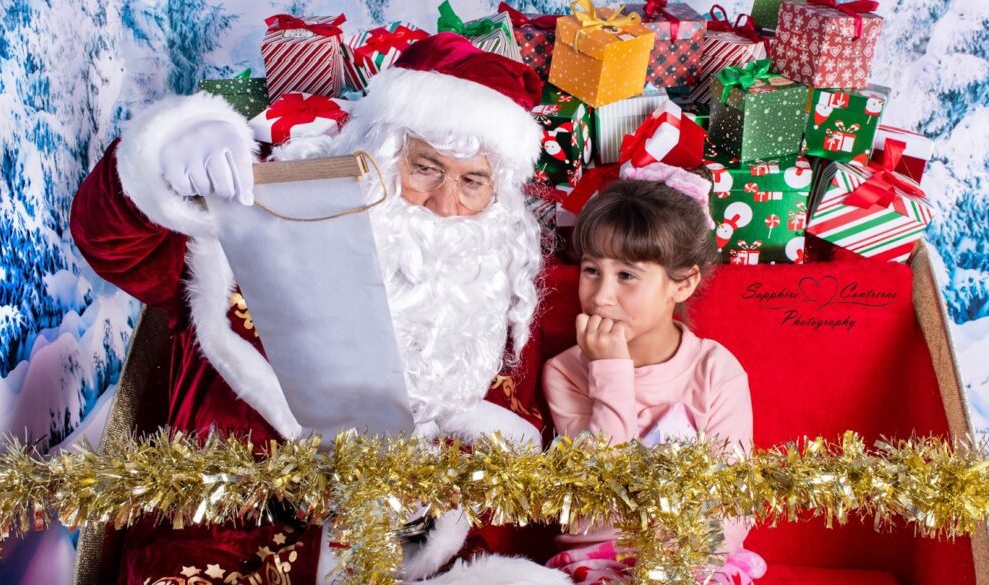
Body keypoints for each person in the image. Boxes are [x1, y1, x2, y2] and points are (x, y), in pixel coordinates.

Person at [71, 33, 569, 585]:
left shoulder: (494, 293)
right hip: (229, 535)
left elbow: (509, 473)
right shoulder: (264, 216)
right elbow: (111, 242)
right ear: (378, 152)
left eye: (472, 181)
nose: (446, 205)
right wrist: (161, 155)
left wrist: (433, 496)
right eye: (426, 168)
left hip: (411, 561)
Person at [541, 165, 766, 585]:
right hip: (599, 559)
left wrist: (685, 567)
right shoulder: (567, 372)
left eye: (626, 275)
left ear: (682, 284)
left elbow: (734, 501)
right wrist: (610, 371)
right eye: (592, 271)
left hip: (696, 560)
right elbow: (594, 498)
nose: (601, 296)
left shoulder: (716, 371)